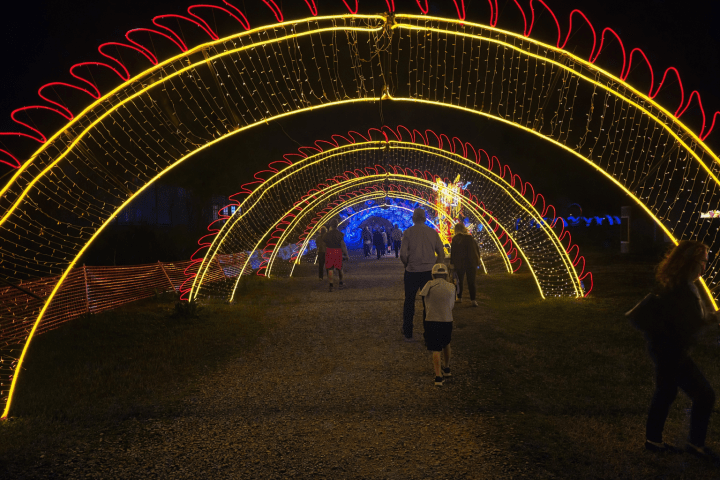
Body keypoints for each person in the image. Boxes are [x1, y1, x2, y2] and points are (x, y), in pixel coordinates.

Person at [639, 240, 719, 460]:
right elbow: (686, 323)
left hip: (667, 349)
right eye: (703, 261)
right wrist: (712, 319)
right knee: (704, 395)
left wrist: (710, 318)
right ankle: (695, 445)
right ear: (690, 262)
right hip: (671, 352)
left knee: (666, 392)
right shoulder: (680, 289)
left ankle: (654, 441)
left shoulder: (683, 284)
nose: (705, 266)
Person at [399, 208, 445, 341]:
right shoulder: (433, 233)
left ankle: (408, 331)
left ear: (413, 219)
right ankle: (428, 333)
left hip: (412, 271)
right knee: (428, 304)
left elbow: (402, 254)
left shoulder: (408, 233)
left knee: (409, 301)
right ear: (425, 219)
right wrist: (436, 267)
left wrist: (406, 264)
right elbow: (441, 254)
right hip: (428, 272)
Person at [420, 263, 456, 386]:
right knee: (446, 344)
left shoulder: (429, 285)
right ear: (446, 275)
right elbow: (452, 304)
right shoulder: (451, 287)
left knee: (436, 348)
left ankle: (438, 377)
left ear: (433, 274)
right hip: (447, 319)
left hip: (432, 320)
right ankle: (447, 368)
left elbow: (423, 298)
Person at [450, 223, 481, 307]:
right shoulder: (470, 238)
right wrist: (477, 260)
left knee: (459, 281)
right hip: (471, 263)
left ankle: (459, 298)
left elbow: (453, 252)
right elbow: (476, 250)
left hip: (460, 263)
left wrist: (452, 263)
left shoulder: (456, 239)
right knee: (471, 281)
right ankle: (473, 300)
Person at [323, 219, 349, 292]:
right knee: (340, 268)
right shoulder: (340, 234)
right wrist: (346, 254)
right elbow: (343, 245)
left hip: (329, 251)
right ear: (337, 225)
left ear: (331, 225)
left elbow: (323, 245)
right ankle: (341, 283)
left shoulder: (326, 235)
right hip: (337, 252)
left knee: (330, 269)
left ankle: (331, 285)